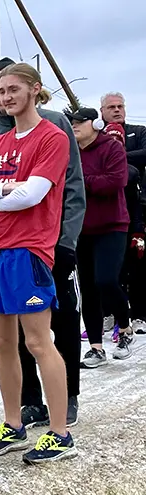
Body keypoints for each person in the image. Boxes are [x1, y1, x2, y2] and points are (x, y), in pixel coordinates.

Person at [0, 62, 77, 464]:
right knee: (2, 342)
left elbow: (30, 196)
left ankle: (60, 432)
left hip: (29, 251)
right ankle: (14, 425)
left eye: (13, 89)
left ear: (34, 90)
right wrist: (2, 190)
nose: (4, 96)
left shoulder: (53, 136)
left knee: (38, 341)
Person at [69, 108, 133, 367]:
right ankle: (96, 347)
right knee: (88, 288)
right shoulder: (71, 152)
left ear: (95, 123)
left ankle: (125, 328)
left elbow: (116, 181)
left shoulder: (112, 148)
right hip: (81, 228)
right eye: (71, 122)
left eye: (79, 122)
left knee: (106, 280)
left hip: (112, 225)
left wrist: (83, 180)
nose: (74, 126)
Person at [101, 93, 146, 332]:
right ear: (102, 111)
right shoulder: (97, 137)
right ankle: (109, 313)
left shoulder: (138, 132)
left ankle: (139, 314)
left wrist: (116, 158)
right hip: (106, 212)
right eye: (111, 107)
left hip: (138, 206)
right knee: (110, 266)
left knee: (138, 264)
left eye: (120, 106)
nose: (117, 110)